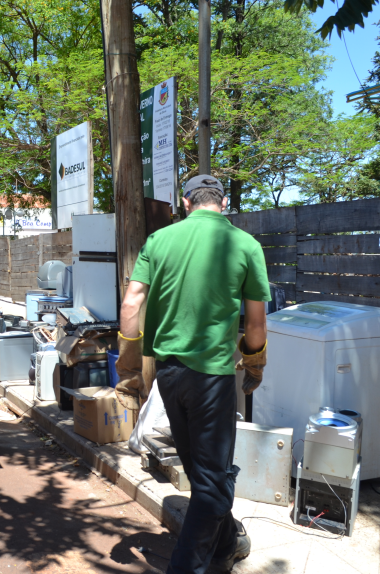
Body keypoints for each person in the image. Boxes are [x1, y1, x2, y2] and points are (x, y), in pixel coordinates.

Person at [115, 175, 270, 574]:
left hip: (169, 374)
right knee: (214, 482)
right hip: (213, 378)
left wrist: (129, 368)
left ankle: (226, 547)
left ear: (185, 203)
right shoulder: (245, 244)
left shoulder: (159, 240)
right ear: (222, 202)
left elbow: (131, 303)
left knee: (203, 474)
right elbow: (255, 324)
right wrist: (254, 362)